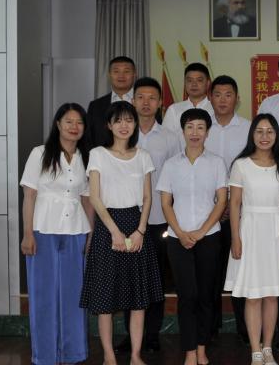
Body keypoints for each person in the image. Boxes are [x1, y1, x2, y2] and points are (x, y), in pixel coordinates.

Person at [80, 101, 163, 365]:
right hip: (108, 227)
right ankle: (108, 356)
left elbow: (147, 198)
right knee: (105, 299)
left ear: (135, 124)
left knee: (138, 299)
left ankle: (136, 355)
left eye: (129, 120)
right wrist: (114, 232)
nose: (124, 125)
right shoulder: (98, 154)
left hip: (136, 225)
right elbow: (95, 197)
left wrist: (140, 230)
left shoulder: (143, 156)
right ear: (109, 125)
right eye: (118, 121)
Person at [225, 114, 279, 365]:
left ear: (276, 135)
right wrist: (235, 238)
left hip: (277, 231)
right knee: (253, 295)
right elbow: (234, 204)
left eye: (269, 131)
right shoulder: (241, 165)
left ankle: (268, 347)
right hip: (250, 230)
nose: (264, 136)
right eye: (259, 131)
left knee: (271, 294)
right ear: (252, 135)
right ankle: (255, 350)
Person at [20, 103, 94, 365]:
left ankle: (73, 353)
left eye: (79, 122)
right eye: (69, 121)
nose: (74, 127)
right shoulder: (40, 153)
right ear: (58, 124)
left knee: (75, 295)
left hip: (76, 231)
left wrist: (91, 234)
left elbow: (87, 199)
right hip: (43, 231)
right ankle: (45, 355)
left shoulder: (87, 157)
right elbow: (29, 195)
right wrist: (27, 234)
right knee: (43, 296)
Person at [114, 77, 182, 355]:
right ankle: (130, 337)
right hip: (126, 220)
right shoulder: (121, 135)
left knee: (156, 280)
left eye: (152, 98)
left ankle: (151, 334)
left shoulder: (170, 137)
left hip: (159, 219)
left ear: (160, 103)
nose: (146, 102)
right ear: (132, 101)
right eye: (140, 97)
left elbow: (176, 177)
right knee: (129, 279)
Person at [158, 108, 228, 365]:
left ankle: (201, 347)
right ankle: (189, 350)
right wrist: (179, 232)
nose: (195, 132)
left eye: (200, 127)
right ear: (183, 131)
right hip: (179, 239)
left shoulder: (217, 163)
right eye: (190, 127)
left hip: (209, 237)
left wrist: (201, 231)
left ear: (207, 132)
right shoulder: (171, 164)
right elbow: (165, 203)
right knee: (187, 295)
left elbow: (221, 201)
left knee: (206, 295)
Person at [205, 75, 251, 343]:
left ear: (237, 98)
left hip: (240, 212)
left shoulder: (248, 129)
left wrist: (231, 204)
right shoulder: (201, 127)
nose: (223, 100)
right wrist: (217, 206)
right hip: (206, 214)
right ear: (210, 98)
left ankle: (246, 329)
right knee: (210, 274)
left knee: (241, 272)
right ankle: (210, 329)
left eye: (228, 94)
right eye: (218, 94)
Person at [86, 56, 136, 147]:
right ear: (109, 75)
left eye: (126, 71)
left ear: (135, 74)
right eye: (116, 71)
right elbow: (88, 140)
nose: (121, 76)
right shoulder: (95, 106)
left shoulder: (146, 104)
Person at [163, 63, 215, 134]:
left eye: (199, 80)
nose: (194, 84)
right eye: (190, 80)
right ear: (185, 83)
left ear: (208, 83)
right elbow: (165, 137)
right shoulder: (174, 110)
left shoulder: (215, 109)